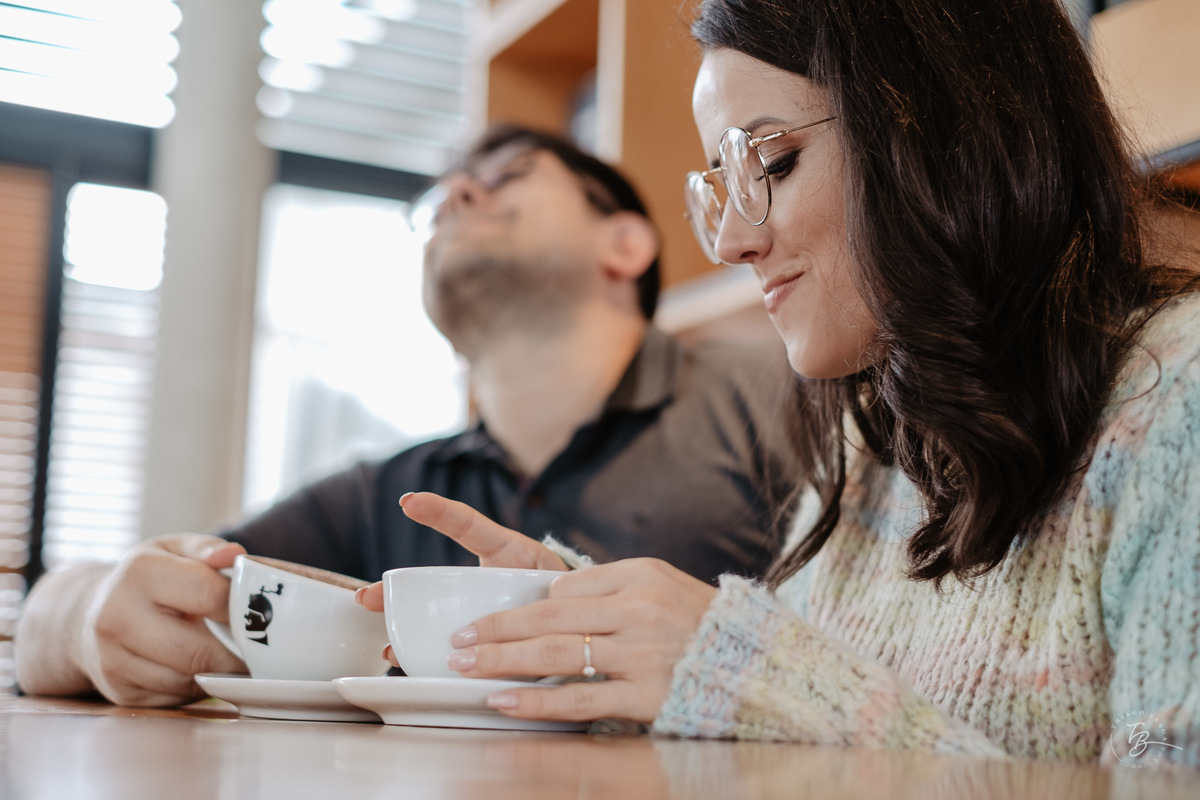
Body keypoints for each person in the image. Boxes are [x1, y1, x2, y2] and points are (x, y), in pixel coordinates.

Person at [358, 0, 1200, 767]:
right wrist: (584, 635)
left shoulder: (1180, 400)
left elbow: (790, 697)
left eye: (774, 160)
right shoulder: (876, 433)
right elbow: (788, 718)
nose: (727, 241)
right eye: (718, 187)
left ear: (951, 128)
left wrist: (741, 670)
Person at [14, 124, 801, 707]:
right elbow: (122, 595)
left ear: (624, 244)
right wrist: (88, 615)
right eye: (438, 199)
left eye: (506, 177)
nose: (455, 195)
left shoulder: (780, 397)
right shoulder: (389, 489)